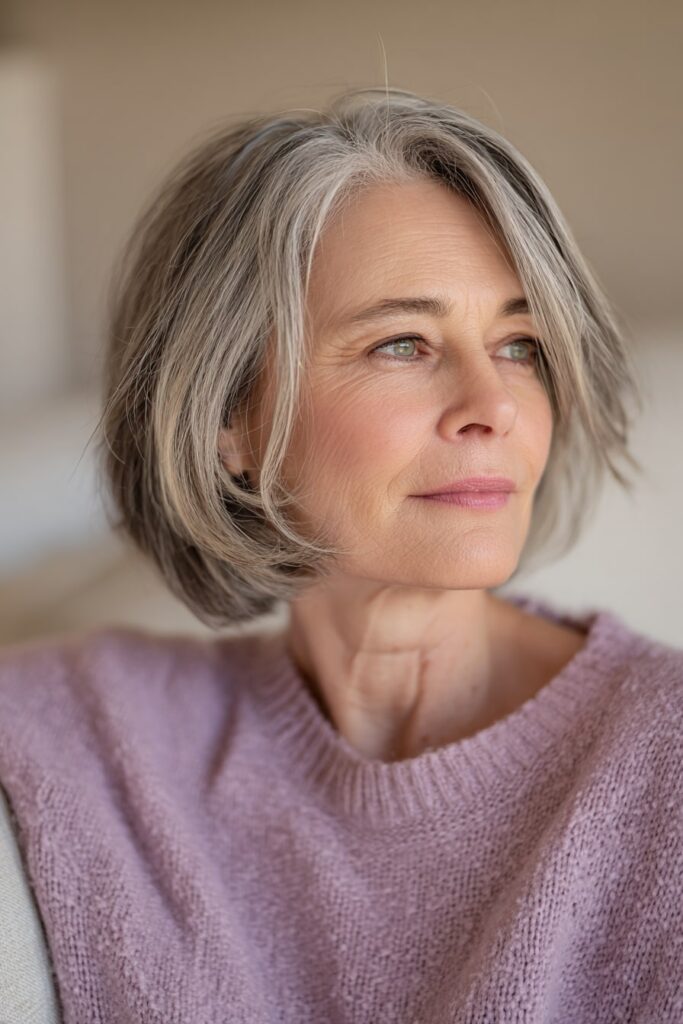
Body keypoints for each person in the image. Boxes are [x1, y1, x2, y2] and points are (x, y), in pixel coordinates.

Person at [0, 86, 681, 1023]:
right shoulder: (99, 734)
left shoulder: (660, 763)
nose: (494, 404)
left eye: (520, 344)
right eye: (403, 343)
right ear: (228, 419)